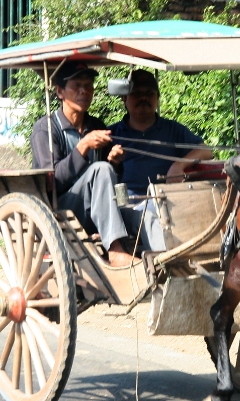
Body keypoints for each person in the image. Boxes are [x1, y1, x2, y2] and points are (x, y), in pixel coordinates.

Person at [30, 62, 164, 267]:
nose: (84, 91)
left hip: (99, 212)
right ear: (59, 91)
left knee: (146, 215)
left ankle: (165, 263)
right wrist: (82, 147)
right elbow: (53, 182)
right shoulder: (45, 129)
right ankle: (115, 250)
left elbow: (106, 182)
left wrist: (115, 164)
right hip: (62, 211)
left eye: (88, 85)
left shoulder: (96, 126)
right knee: (100, 169)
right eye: (77, 85)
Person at [108, 69, 212, 196]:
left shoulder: (173, 129)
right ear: (124, 98)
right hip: (126, 205)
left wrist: (178, 165)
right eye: (136, 93)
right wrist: (112, 162)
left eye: (149, 93)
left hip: (167, 201)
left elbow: (205, 150)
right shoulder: (111, 133)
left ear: (157, 97)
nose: (143, 97)